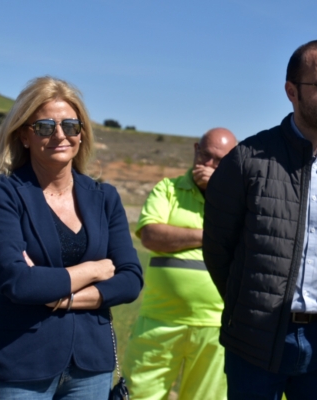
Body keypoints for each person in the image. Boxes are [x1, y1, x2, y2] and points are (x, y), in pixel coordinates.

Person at [202, 40, 317, 399]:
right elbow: (218, 250)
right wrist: (252, 307)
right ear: (291, 91)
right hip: (256, 339)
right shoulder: (247, 161)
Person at [0, 77, 143, 399]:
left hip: (91, 367)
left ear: (82, 133)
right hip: (18, 365)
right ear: (25, 135)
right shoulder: (2, 194)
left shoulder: (104, 197)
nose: (59, 135)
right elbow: (17, 282)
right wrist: (94, 270)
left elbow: (130, 280)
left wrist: (60, 296)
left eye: (70, 125)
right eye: (43, 127)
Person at [122, 128, 237, 400]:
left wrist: (220, 191)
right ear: (196, 150)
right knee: (138, 393)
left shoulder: (237, 201)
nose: (209, 165)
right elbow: (151, 235)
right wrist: (210, 237)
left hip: (215, 325)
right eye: (205, 156)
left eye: (219, 161)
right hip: (160, 319)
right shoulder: (168, 189)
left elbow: (245, 242)